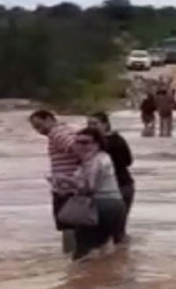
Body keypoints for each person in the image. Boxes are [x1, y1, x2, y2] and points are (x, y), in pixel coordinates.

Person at [59, 128, 126, 261]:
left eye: (85, 142)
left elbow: (89, 188)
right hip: (113, 204)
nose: (80, 146)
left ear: (97, 143)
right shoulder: (101, 158)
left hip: (100, 205)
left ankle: (81, 279)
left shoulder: (95, 161)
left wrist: (66, 181)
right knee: (103, 248)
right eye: (77, 142)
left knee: (83, 251)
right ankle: (103, 276)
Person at [29, 110, 79, 253]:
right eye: (35, 128)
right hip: (74, 186)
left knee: (67, 226)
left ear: (50, 119)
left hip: (66, 189)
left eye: (40, 125)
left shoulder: (56, 133)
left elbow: (78, 149)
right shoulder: (68, 130)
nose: (39, 131)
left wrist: (64, 177)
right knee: (73, 226)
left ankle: (70, 259)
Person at [87, 112, 134, 244]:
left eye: (95, 124)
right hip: (109, 188)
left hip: (121, 186)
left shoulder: (111, 142)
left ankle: (119, 259)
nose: (91, 127)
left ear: (105, 124)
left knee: (117, 231)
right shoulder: (92, 142)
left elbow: (128, 161)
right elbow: (129, 161)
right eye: (89, 124)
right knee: (110, 231)